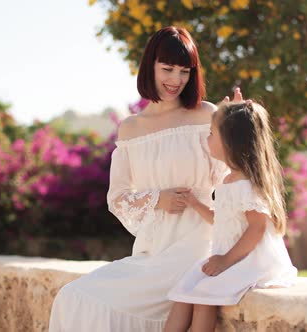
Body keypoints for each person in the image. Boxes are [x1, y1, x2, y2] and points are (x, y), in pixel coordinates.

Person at [47, 26, 242, 331]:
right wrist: (157, 199)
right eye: (167, 69)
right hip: (152, 250)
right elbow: (118, 197)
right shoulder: (131, 129)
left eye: (184, 71)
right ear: (149, 66)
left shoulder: (207, 114)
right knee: (73, 296)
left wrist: (234, 124)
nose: (176, 80)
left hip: (197, 246)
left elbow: (235, 174)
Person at [165, 100, 298, 332]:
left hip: (252, 261)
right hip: (231, 256)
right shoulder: (229, 180)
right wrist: (195, 204)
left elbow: (256, 228)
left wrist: (226, 260)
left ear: (230, 141)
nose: (207, 138)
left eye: (211, 133)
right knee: (184, 290)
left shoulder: (246, 184)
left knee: (204, 295)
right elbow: (224, 221)